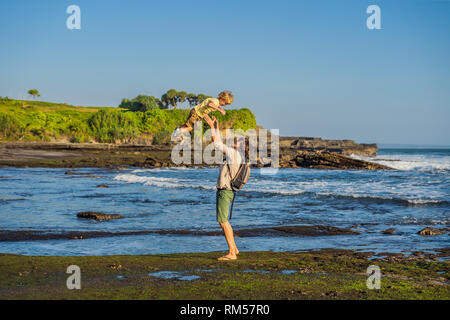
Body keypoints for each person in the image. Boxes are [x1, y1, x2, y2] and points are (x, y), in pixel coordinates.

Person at [205, 115, 248, 261]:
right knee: (224, 221)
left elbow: (216, 145)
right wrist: (216, 127)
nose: (235, 140)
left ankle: (231, 253)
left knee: (223, 222)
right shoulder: (240, 156)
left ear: (241, 145)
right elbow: (220, 143)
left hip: (225, 190)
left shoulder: (234, 154)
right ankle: (234, 248)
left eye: (238, 140)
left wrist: (211, 126)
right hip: (229, 190)